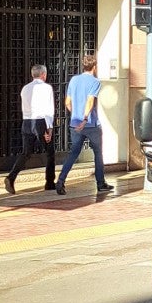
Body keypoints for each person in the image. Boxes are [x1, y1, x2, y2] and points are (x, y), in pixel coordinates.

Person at [56, 50, 111, 197]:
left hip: (75, 124)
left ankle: (61, 180)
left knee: (73, 153)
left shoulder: (74, 80)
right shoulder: (95, 82)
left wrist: (76, 115)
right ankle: (100, 183)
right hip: (91, 124)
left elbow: (67, 102)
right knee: (98, 153)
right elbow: (90, 101)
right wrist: (85, 118)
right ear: (94, 67)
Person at [4, 63, 55, 194]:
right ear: (43, 74)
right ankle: (49, 182)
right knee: (50, 152)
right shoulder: (47, 88)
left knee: (26, 153)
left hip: (26, 122)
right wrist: (49, 128)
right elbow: (49, 109)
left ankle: (11, 177)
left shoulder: (25, 88)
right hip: (40, 121)